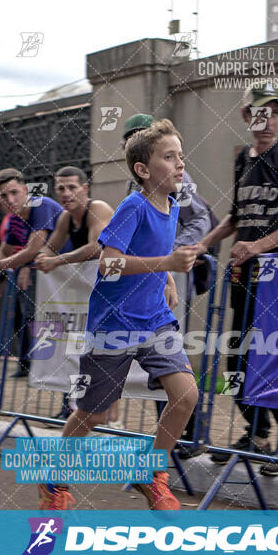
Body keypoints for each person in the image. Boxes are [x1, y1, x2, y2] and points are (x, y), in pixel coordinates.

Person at [38, 119, 199, 511]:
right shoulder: (133, 206)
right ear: (143, 170)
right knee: (95, 413)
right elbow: (108, 266)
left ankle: (152, 473)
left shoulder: (172, 205)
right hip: (115, 324)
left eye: (180, 156)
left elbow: (154, 253)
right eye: (168, 157)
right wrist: (166, 263)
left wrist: (166, 280)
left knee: (186, 395)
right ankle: (53, 480)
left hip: (154, 320)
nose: (179, 164)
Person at [195, 81, 278, 475]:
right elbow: (235, 216)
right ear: (247, 117)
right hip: (244, 277)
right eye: (260, 113)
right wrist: (205, 244)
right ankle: (257, 432)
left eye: (276, 112)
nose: (268, 120)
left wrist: (258, 246)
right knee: (237, 357)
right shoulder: (241, 161)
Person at [122, 113, 213, 457]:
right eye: (128, 139)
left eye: (137, 136)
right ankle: (167, 440)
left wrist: (172, 260)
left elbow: (201, 217)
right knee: (157, 370)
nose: (130, 144)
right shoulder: (135, 187)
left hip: (181, 269)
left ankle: (190, 435)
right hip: (156, 277)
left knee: (176, 360)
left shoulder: (175, 175)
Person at [34, 165, 114, 420]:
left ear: (85, 188)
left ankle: (113, 417)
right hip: (93, 297)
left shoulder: (97, 208)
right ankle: (78, 408)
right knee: (78, 348)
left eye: (72, 187)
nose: (66, 193)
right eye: (61, 188)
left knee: (117, 352)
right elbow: (50, 247)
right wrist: (42, 257)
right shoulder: (66, 218)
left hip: (124, 288)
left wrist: (56, 262)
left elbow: (95, 248)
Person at [0, 168, 65, 377]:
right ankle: (33, 367)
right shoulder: (15, 216)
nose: (9, 199)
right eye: (3, 195)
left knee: (51, 321)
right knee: (29, 317)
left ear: (25, 190)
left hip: (67, 273)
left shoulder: (41, 204)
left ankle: (49, 369)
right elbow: (4, 249)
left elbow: (33, 249)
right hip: (49, 274)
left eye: (14, 192)